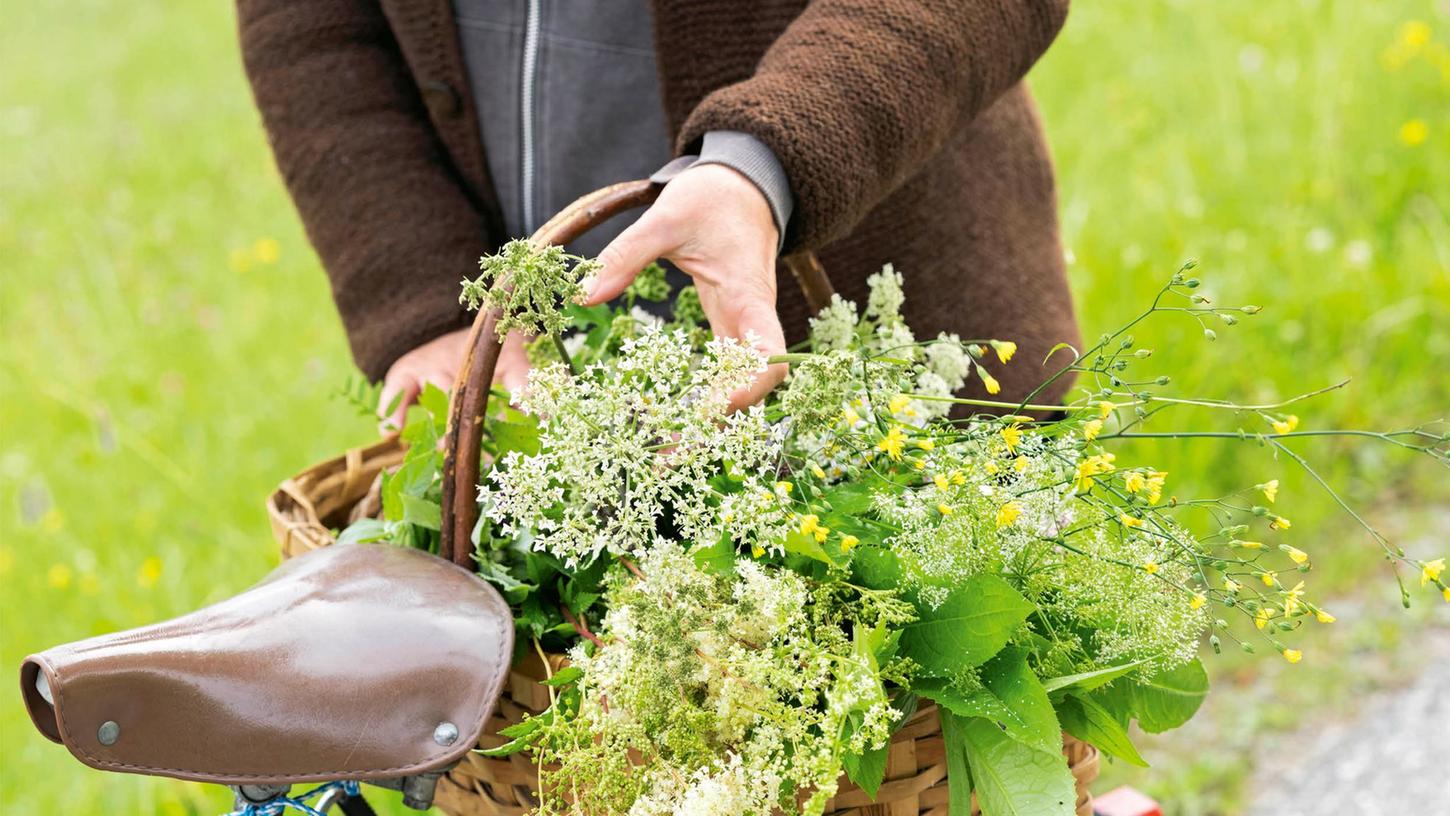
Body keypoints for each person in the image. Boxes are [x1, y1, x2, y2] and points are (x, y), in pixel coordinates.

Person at [237, 0, 1080, 429]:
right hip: (536, 412)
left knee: (919, 759)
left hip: (884, 381)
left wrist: (765, 164)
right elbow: (311, 24)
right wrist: (423, 294)